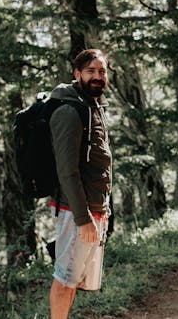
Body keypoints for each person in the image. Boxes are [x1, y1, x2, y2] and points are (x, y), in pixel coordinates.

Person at [48, 49, 112, 319]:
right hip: (75, 211)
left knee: (73, 279)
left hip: (94, 209)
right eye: (91, 71)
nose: (97, 76)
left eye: (102, 71)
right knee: (64, 279)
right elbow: (67, 172)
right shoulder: (69, 111)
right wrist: (83, 218)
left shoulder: (92, 107)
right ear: (77, 74)